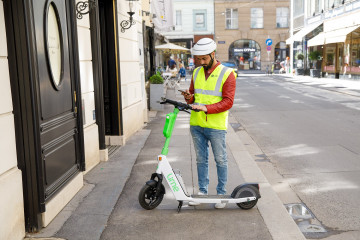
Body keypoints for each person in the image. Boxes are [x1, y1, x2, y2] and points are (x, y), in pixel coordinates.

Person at [181, 38, 236, 209]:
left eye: (204, 58)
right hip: (196, 124)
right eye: (198, 59)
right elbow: (193, 95)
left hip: (216, 125)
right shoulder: (196, 72)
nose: (201, 62)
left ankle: (221, 194)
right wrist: (189, 97)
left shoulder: (227, 73)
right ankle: (202, 192)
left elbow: (228, 102)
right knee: (200, 159)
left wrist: (206, 108)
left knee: (220, 159)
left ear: (213, 54)